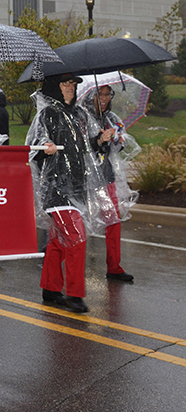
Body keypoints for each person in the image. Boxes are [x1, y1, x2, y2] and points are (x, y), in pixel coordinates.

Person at [26, 73, 110, 313]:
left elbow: (85, 148)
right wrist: (45, 149)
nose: (71, 87)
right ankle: (74, 294)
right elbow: (32, 148)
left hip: (77, 187)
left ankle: (50, 288)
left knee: (58, 241)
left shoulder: (80, 114)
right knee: (76, 237)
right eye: (65, 83)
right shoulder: (47, 114)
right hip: (55, 188)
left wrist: (99, 140)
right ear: (55, 87)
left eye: (73, 83)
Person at [82, 85, 139, 282]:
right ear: (90, 96)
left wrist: (117, 138)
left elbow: (119, 146)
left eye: (107, 94)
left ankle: (114, 266)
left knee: (113, 220)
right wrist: (98, 140)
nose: (104, 98)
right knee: (77, 223)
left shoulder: (111, 118)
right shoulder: (81, 117)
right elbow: (80, 146)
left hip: (106, 178)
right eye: (100, 94)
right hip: (84, 180)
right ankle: (60, 259)